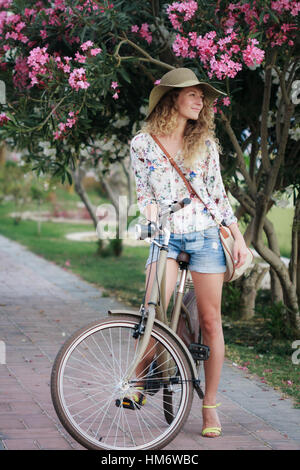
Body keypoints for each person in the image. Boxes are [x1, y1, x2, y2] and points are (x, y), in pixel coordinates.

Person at [129, 68, 249, 437]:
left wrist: (238, 237)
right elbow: (144, 196)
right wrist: (154, 218)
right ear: (172, 98)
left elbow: (218, 196)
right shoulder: (142, 144)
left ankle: (209, 407)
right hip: (166, 238)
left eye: (202, 96)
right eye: (193, 94)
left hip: (205, 238)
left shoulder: (206, 145)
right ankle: (138, 378)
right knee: (151, 310)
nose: (201, 101)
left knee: (211, 322)